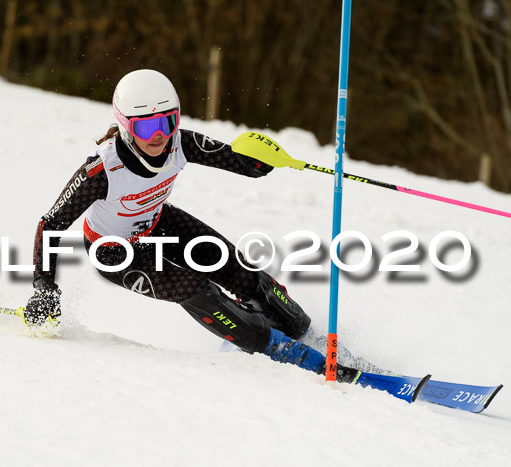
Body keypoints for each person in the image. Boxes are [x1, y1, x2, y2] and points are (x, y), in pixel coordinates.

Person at [24, 69, 356, 381]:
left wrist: (258, 163)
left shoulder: (179, 142)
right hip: (114, 252)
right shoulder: (101, 171)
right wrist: (45, 288)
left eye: (167, 122)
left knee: (239, 271)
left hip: (158, 222)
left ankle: (303, 332)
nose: (158, 136)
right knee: (196, 289)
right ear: (125, 125)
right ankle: (274, 347)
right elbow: (50, 223)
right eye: (145, 128)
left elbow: (232, 158)